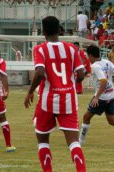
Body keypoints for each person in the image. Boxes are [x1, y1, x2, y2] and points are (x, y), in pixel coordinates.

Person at [24, 16, 86, 172]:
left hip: (47, 101)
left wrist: (30, 92)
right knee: (73, 142)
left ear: (43, 32)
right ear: (59, 30)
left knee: (43, 140)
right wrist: (71, 82)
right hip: (68, 100)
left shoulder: (40, 49)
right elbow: (81, 74)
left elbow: (39, 73)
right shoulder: (72, 48)